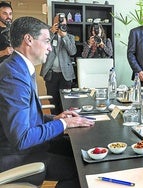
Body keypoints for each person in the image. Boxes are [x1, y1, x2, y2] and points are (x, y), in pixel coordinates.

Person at [0, 16, 95, 187]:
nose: (50, 48)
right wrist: (65, 124)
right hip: (15, 156)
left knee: (82, 152)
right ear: (28, 40)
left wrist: (56, 119)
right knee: (83, 169)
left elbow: (27, 118)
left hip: (27, 147)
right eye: (46, 41)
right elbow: (22, 138)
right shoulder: (12, 77)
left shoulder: (19, 67)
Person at [40, 14, 76, 115]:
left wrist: (64, 37)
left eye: (62, 23)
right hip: (51, 74)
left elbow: (73, 52)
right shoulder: (47, 34)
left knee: (66, 102)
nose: (60, 25)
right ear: (53, 23)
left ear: (66, 23)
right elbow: (41, 46)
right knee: (53, 102)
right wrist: (51, 32)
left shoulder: (70, 37)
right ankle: (55, 124)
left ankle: (66, 125)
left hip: (66, 75)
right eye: (58, 23)